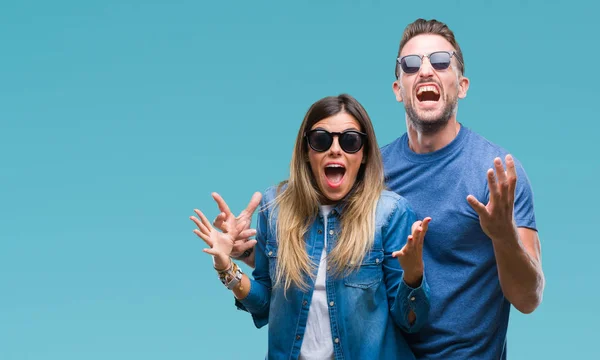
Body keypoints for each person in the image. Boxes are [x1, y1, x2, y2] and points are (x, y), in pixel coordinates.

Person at [211, 19, 545, 360]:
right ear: (398, 88)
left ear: (462, 85)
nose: (426, 71)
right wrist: (253, 251)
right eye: (412, 64)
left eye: (441, 61)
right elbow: (328, 259)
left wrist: (504, 236)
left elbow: (528, 299)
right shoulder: (367, 172)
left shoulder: (497, 175)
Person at [190, 94, 431, 359]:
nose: (335, 149)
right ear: (306, 151)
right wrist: (226, 268)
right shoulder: (275, 208)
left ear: (364, 154)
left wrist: (413, 275)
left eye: (350, 140)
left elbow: (411, 321)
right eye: (321, 139)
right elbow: (265, 304)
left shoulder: (390, 213)